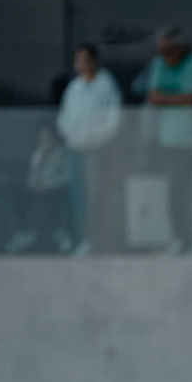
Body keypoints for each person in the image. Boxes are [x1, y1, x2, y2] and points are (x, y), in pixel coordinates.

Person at [136, 27, 192, 249]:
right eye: (162, 51)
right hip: (169, 138)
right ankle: (180, 238)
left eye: (169, 50)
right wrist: (177, 99)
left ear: (182, 47)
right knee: (175, 190)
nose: (166, 56)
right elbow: (153, 97)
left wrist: (167, 98)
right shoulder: (159, 64)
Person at [57, 44, 122, 250]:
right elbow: (64, 117)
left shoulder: (106, 84)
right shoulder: (74, 87)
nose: (81, 64)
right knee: (78, 195)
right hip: (75, 147)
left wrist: (98, 138)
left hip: (97, 148)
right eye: (78, 60)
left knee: (95, 193)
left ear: (94, 60)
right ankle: (83, 239)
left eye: (85, 59)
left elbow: (114, 118)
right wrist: (72, 136)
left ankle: (98, 239)